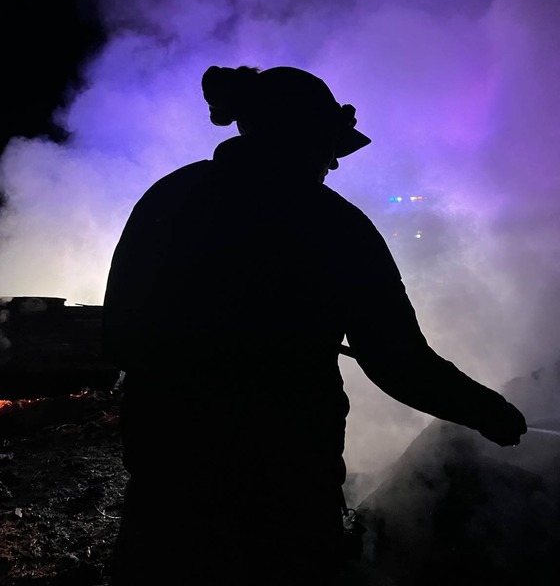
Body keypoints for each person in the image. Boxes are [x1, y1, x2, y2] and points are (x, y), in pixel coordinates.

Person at [101, 65, 527, 586]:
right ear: (305, 137)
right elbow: (397, 360)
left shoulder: (169, 198)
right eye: (331, 148)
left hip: (167, 469)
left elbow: (118, 336)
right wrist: (486, 410)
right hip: (285, 484)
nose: (333, 164)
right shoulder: (334, 225)